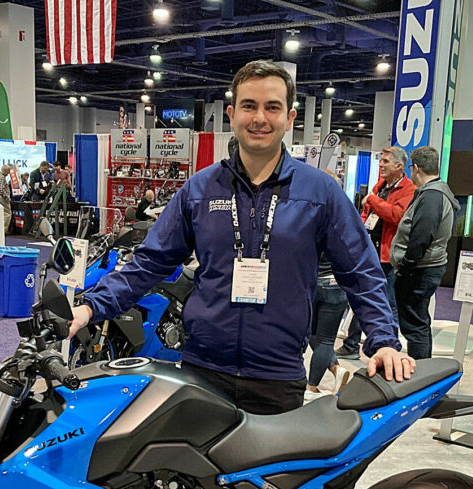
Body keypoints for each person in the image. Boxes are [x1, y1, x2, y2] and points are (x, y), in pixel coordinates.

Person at [67, 60, 412, 415]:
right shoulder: (199, 189)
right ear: (232, 114)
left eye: (272, 107)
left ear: (290, 118)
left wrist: (384, 341)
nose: (259, 117)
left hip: (277, 378)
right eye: (249, 106)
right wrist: (92, 305)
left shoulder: (320, 192)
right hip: (203, 373)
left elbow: (361, 271)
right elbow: (149, 262)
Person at [336, 145, 415, 359]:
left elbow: (396, 215)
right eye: (381, 160)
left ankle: (390, 349)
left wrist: (372, 200)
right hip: (369, 252)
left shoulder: (408, 190)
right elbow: (366, 214)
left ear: (399, 166)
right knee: (360, 297)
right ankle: (352, 344)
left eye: (385, 161)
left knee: (388, 304)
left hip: (388, 257)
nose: (381, 164)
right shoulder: (380, 186)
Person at [388, 145, 459, 360]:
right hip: (423, 268)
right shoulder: (436, 193)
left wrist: (407, 266)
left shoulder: (432, 196)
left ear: (416, 168)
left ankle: (420, 376)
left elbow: (421, 237)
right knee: (418, 323)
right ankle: (422, 373)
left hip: (419, 270)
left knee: (415, 326)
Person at [304, 256, 351, 401]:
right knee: (325, 339)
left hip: (310, 280)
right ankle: (332, 369)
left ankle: (313, 385)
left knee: (312, 333)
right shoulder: (344, 233)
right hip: (336, 282)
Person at [0, 164, 12, 233]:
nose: (9, 173)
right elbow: (1, 190)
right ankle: (3, 230)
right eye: (8, 171)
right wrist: (7, 197)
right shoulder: (2, 177)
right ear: (5, 171)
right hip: (1, 197)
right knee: (7, 213)